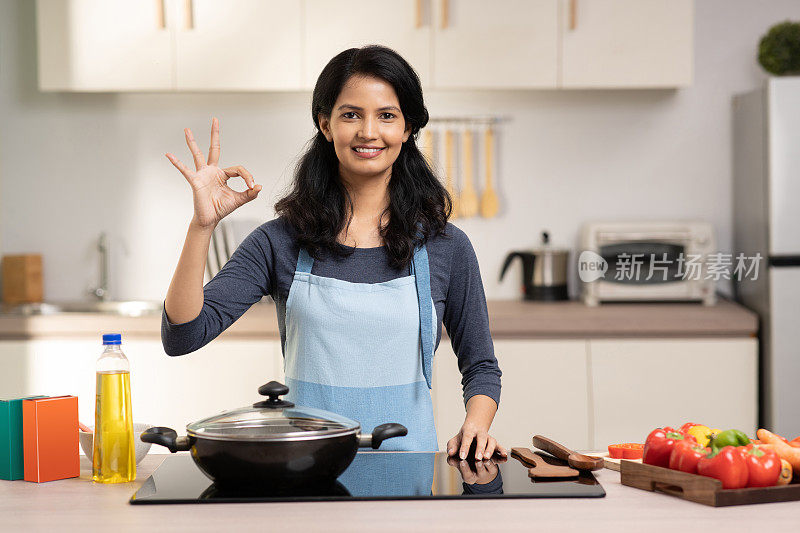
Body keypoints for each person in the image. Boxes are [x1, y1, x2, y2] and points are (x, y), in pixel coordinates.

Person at [161, 45, 506, 460]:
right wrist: (202, 226)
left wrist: (477, 424)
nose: (368, 131)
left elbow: (481, 366)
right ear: (325, 125)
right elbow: (182, 334)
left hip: (409, 479)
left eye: (386, 115)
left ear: (408, 127)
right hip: (306, 477)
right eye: (350, 114)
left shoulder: (446, 246)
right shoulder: (281, 241)